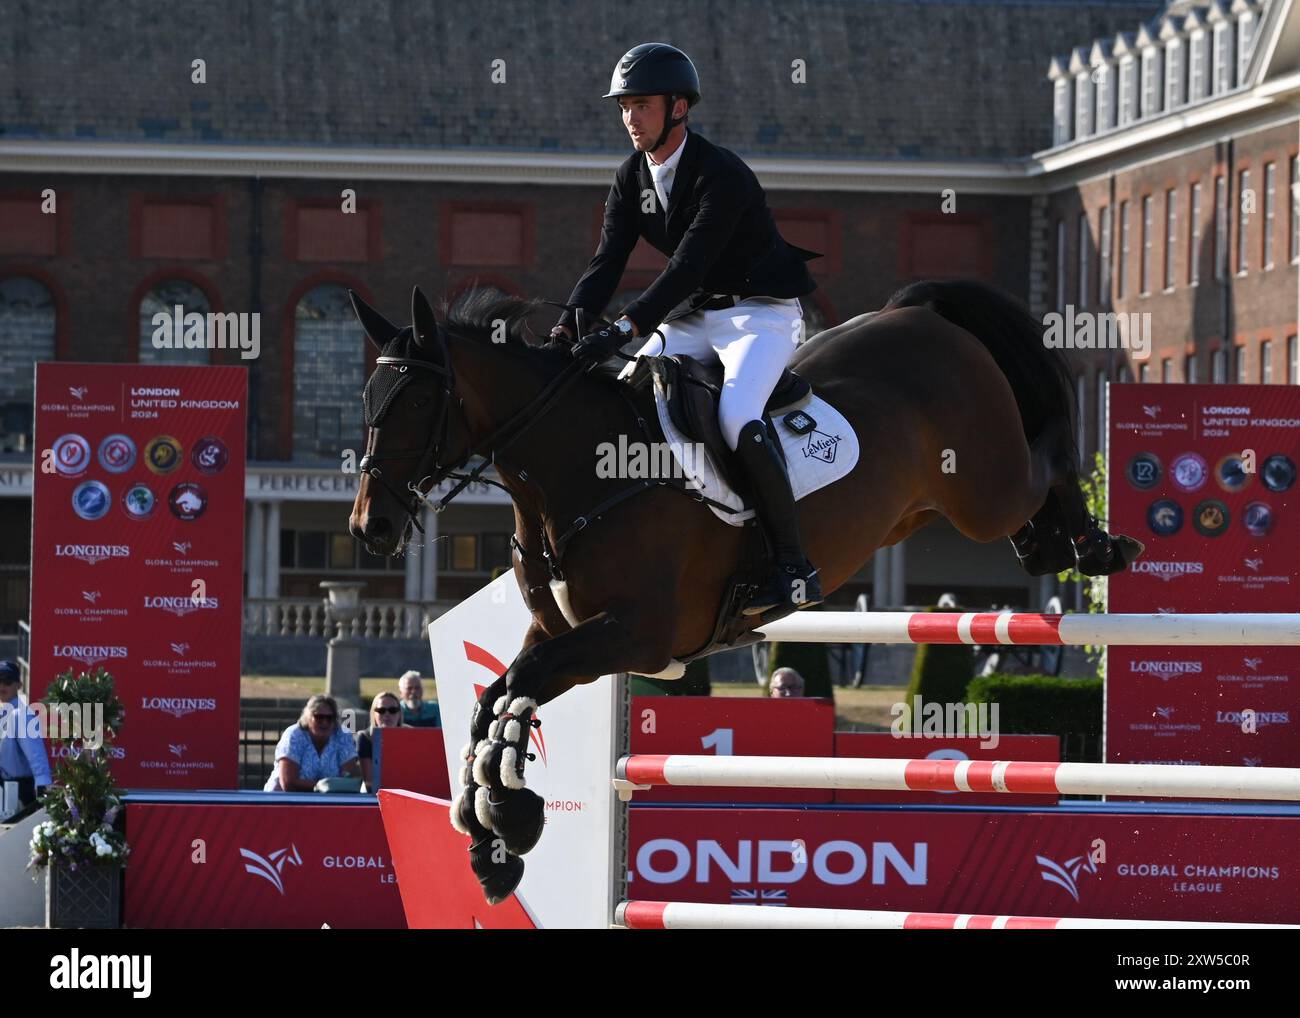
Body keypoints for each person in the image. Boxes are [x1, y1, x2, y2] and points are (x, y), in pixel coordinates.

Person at [552, 42, 824, 616]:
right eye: (624, 107)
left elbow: (686, 268)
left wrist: (623, 326)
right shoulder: (632, 177)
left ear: (679, 107)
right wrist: (566, 329)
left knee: (734, 415)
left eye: (642, 105)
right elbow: (606, 262)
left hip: (762, 313)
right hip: (698, 317)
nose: (630, 119)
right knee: (628, 387)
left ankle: (793, 565)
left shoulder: (719, 173)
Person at [264, 694, 359, 792]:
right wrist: (324, 786)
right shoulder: (294, 735)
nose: (324, 722)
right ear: (308, 717)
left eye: (329, 718)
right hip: (282, 800)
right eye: (319, 717)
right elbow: (288, 783)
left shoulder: (343, 736)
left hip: (329, 801)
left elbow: (349, 780)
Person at [0, 660, 52, 808]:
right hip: (4, 789)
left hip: (20, 790)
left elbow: (36, 753)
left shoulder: (21, 715)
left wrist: (42, 783)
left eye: (7, 681)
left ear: (19, 685)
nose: (2, 686)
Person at [356, 690, 403, 792]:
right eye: (381, 710)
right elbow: (369, 781)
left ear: (399, 714)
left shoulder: (411, 735)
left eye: (392, 710)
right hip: (374, 795)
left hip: (407, 792)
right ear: (374, 714)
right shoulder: (365, 737)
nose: (387, 714)